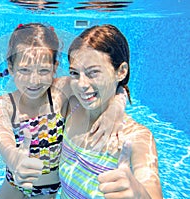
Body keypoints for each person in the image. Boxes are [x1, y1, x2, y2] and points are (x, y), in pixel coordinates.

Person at [0, 23, 126, 199]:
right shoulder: (3, 104)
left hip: (49, 190)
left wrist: (116, 108)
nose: (34, 81)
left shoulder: (60, 92)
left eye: (43, 70)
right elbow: (2, 135)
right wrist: (13, 158)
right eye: (24, 70)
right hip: (14, 185)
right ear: (11, 68)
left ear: (54, 67)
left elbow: (108, 85)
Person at [59, 24, 163, 199]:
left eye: (93, 73)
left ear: (121, 72)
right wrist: (117, 102)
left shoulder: (137, 137)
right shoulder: (72, 105)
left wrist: (139, 195)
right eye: (75, 73)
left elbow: (152, 190)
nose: (82, 84)